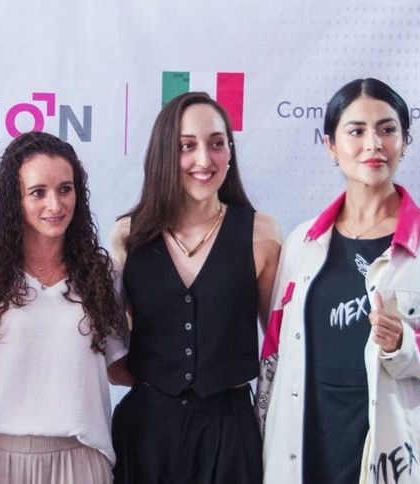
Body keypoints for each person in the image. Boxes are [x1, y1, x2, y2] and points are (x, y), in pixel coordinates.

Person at [258, 78, 420, 484]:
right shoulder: (301, 243)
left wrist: (405, 344)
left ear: (404, 140)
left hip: (396, 453)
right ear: (330, 145)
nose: (373, 144)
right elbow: (273, 359)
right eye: (356, 131)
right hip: (304, 445)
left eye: (387, 129)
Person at [109, 91, 282, 483]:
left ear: (230, 152)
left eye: (217, 143)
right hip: (145, 433)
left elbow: (280, 350)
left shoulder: (261, 233)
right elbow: (112, 352)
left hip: (230, 433)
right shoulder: (127, 235)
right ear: (164, 155)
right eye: (187, 146)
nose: (204, 160)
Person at [0, 131, 129, 484]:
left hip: (80, 462)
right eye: (38, 192)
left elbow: (120, 369)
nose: (55, 205)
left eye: (65, 189)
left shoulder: (104, 273)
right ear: (15, 199)